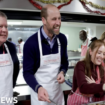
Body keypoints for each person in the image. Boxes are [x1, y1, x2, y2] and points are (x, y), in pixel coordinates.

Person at [23, 4, 68, 105]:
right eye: (54, 19)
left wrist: (62, 72)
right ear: (44, 20)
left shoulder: (62, 39)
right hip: (40, 97)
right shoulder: (31, 43)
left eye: (59, 18)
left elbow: (65, 61)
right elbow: (27, 73)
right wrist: (38, 88)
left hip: (57, 96)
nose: (58, 23)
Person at [67, 38, 105, 105]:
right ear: (90, 51)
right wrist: (101, 87)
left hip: (93, 102)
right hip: (78, 102)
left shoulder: (101, 68)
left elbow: (101, 94)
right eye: (99, 53)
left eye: (104, 54)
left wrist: (95, 86)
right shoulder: (80, 65)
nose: (102, 56)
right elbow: (83, 88)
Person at [0, 11, 19, 104]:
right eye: (0, 26)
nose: (4, 30)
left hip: (8, 99)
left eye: (6, 26)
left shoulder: (11, 47)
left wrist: (11, 85)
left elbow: (16, 67)